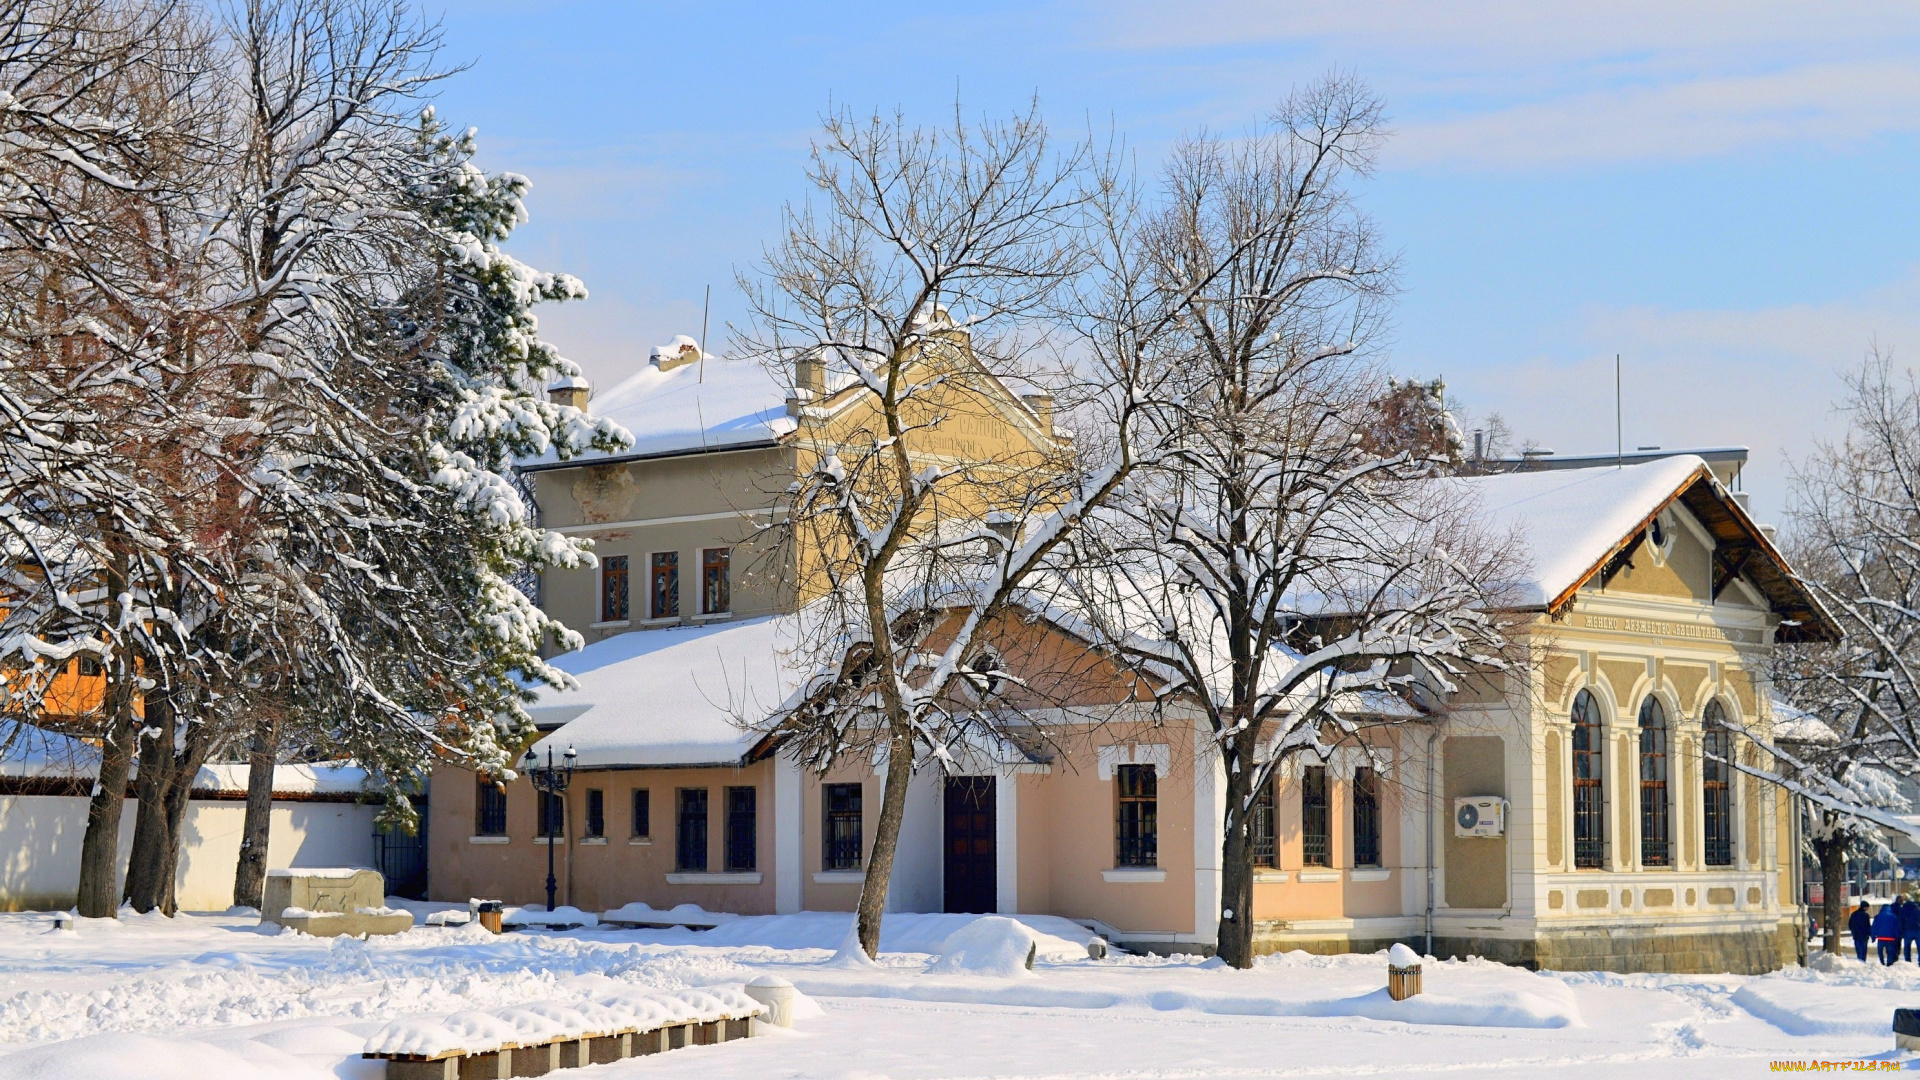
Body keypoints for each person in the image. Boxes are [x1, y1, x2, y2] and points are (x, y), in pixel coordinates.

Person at [1874, 901, 1902, 966]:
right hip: (1891, 938)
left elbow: (1874, 927)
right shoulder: (1894, 917)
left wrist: (1873, 936)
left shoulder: (1878, 916)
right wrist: (1896, 937)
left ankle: (1882, 962)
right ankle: (1889, 963)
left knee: (1880, 951)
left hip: (1880, 938)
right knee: (1890, 951)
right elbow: (1896, 928)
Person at [1903, 896, 1920, 962]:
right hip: (1918, 930)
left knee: (1907, 946)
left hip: (1908, 930)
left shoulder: (1904, 910)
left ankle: (1907, 959)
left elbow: (1901, 921)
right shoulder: (1918, 910)